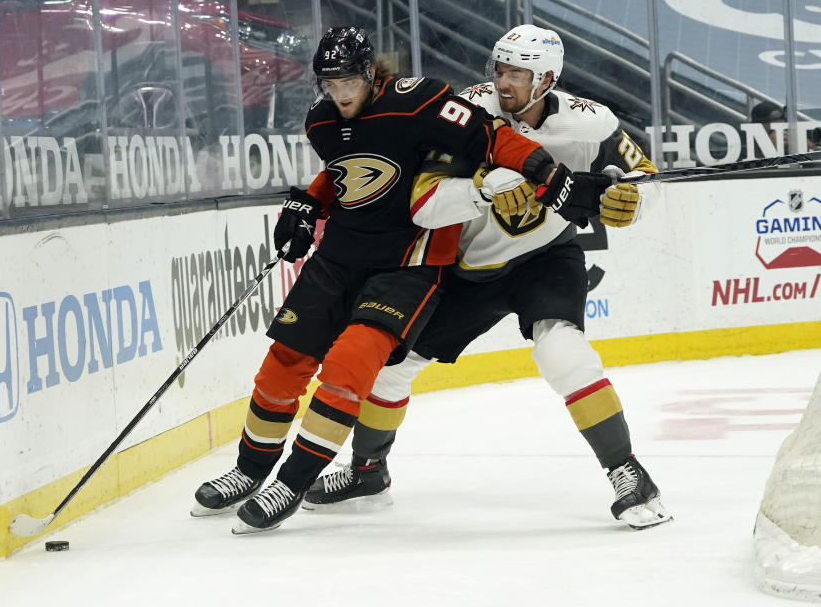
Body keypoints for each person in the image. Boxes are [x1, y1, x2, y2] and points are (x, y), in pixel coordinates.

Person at [190, 26, 588, 533]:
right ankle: (249, 470)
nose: (341, 94)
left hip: (408, 264)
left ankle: (291, 482)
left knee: (348, 365)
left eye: (349, 82)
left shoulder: (420, 100)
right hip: (338, 257)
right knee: (282, 364)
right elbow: (346, 173)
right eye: (330, 85)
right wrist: (307, 203)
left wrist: (544, 171)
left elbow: (490, 136)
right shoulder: (321, 121)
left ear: (370, 73)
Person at [302, 24, 673, 530]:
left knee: (561, 350)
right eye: (499, 69)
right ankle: (369, 472)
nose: (503, 82)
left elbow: (643, 180)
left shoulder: (592, 124)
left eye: (518, 73)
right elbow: (423, 205)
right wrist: (480, 187)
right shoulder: (463, 113)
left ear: (546, 79)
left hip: (544, 257)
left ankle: (628, 473)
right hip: (466, 267)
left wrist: (631, 200)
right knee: (391, 368)